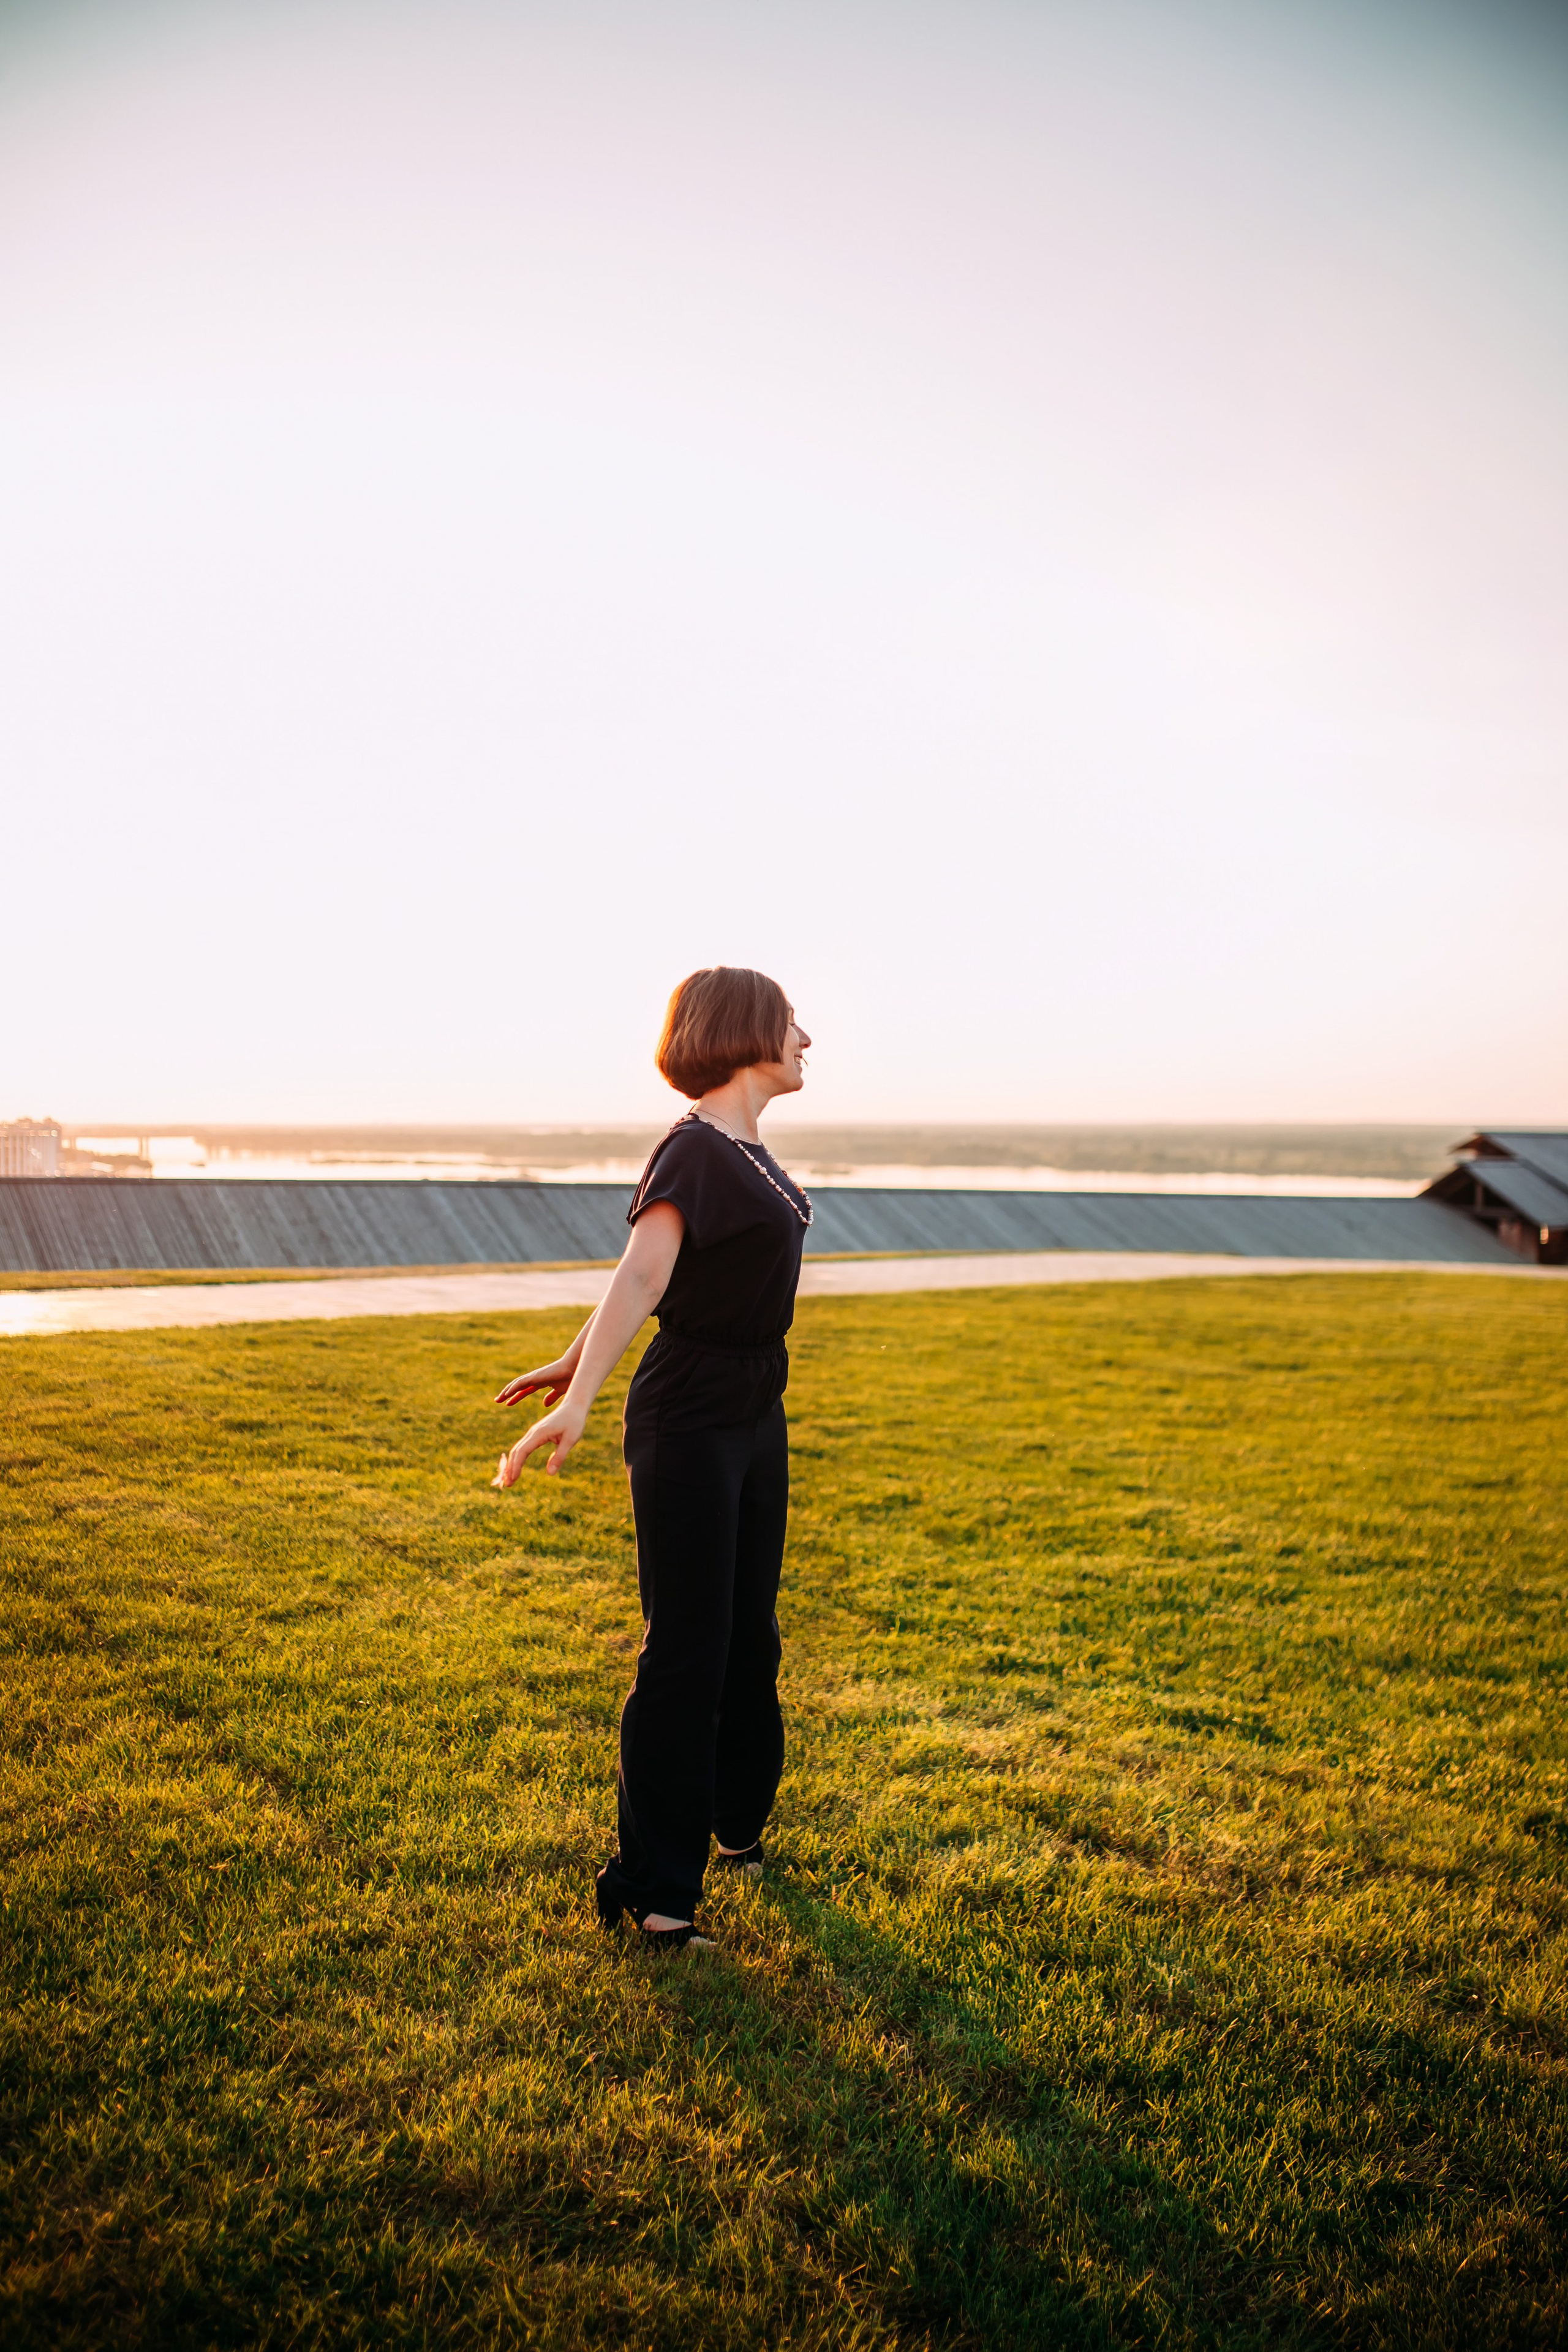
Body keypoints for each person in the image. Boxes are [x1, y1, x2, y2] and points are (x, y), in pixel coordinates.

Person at [491, 967, 814, 1950]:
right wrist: (583, 1395)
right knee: (688, 1648)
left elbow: (670, 1278)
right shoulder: (693, 1149)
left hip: (756, 1406)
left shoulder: (746, 1153)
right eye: (792, 1023)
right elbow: (642, 1275)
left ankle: (736, 1825)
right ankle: (654, 1896)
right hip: (691, 1417)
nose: (807, 1039)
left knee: (750, 1635)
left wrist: (573, 1354)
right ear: (747, 1032)